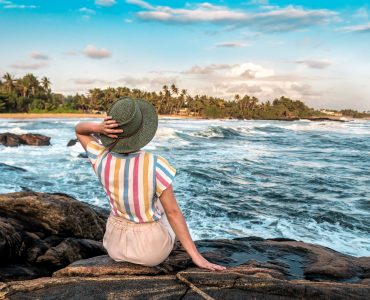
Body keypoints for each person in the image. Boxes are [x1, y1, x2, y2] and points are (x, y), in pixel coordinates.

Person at [75, 97, 226, 271]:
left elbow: (80, 131)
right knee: (165, 206)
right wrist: (197, 257)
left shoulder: (100, 157)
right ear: (141, 131)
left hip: (114, 245)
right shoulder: (155, 164)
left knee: (148, 201)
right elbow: (173, 213)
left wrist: (99, 128)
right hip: (150, 252)